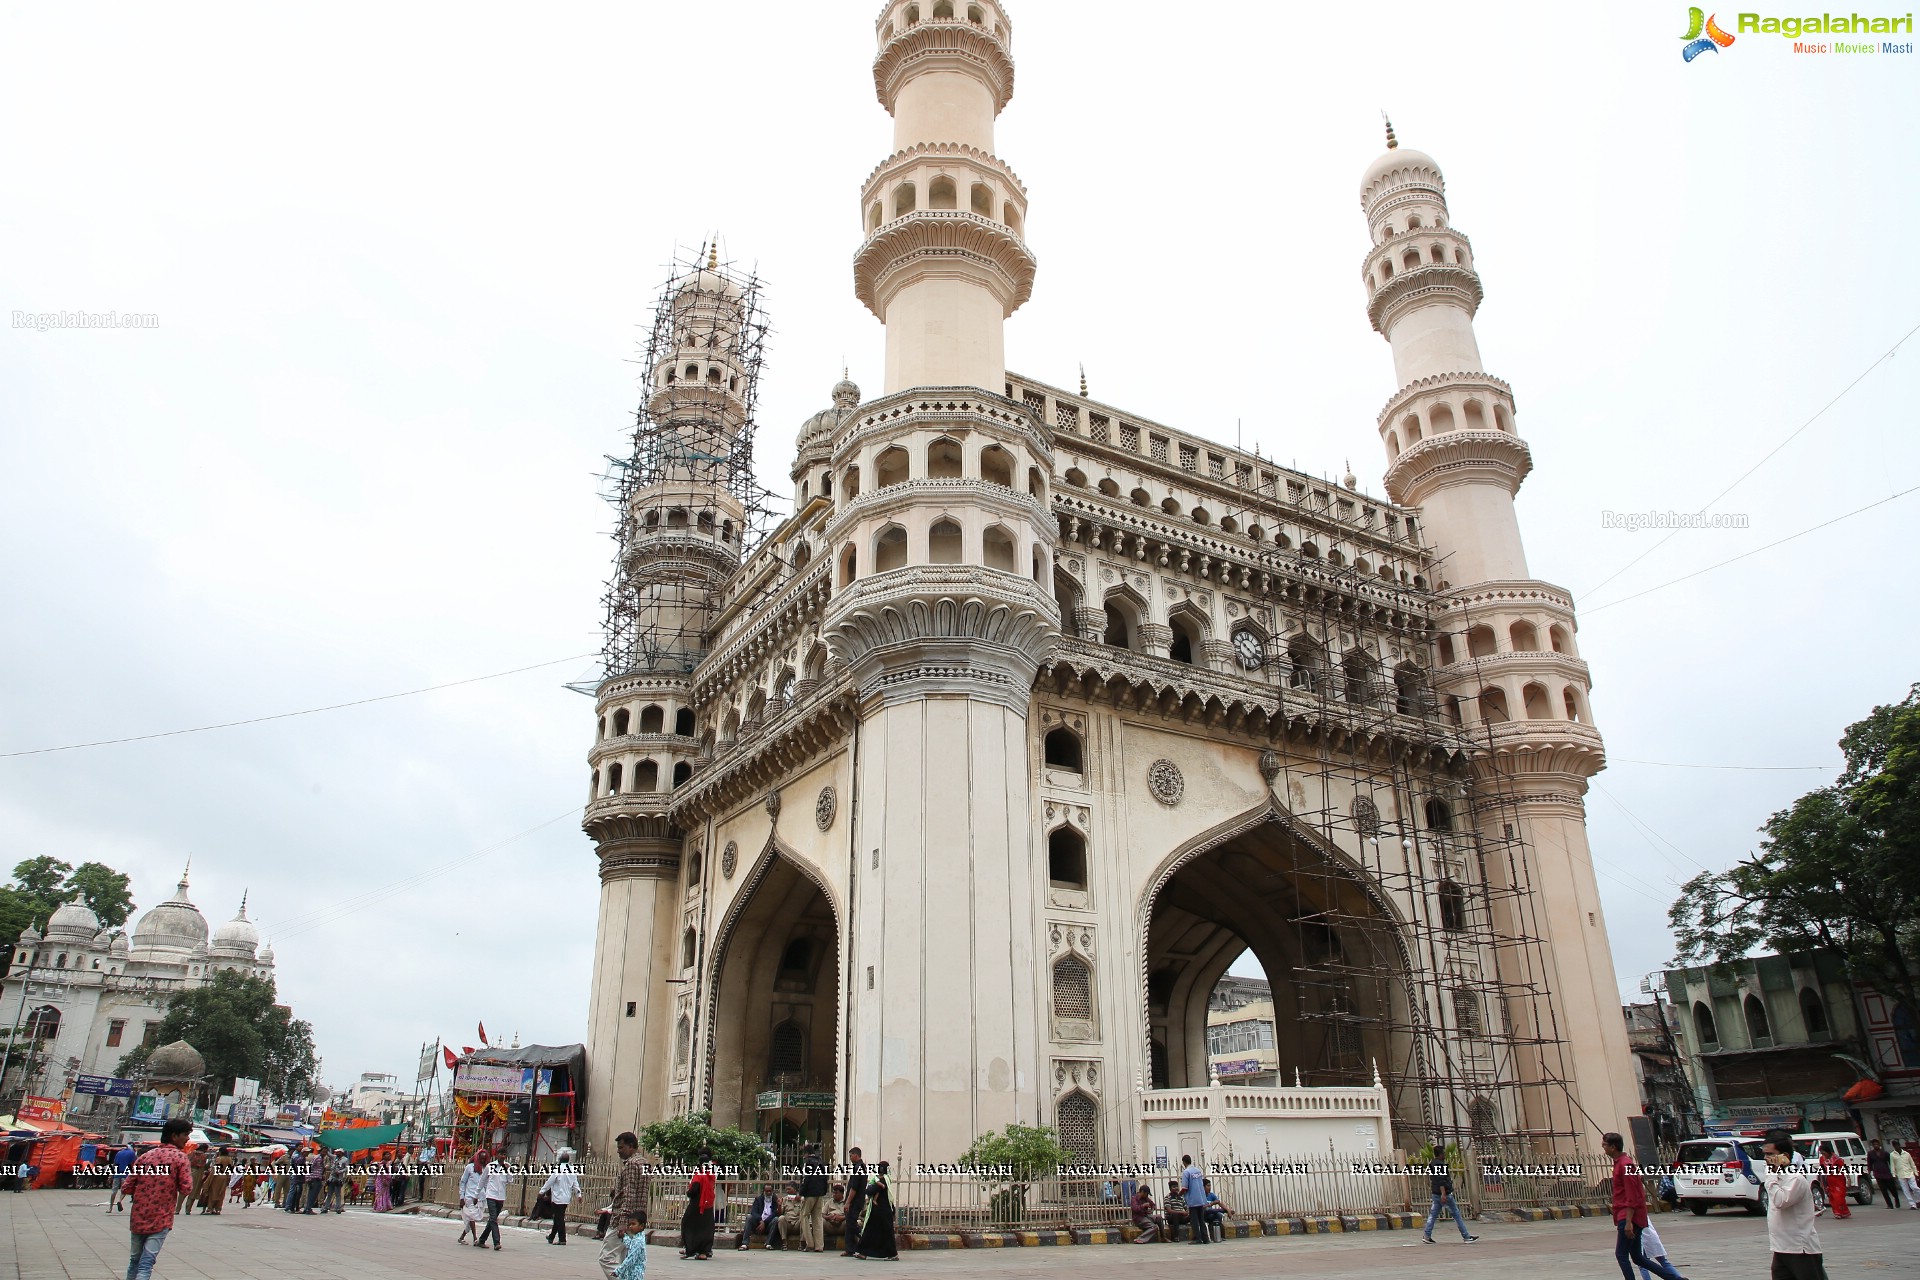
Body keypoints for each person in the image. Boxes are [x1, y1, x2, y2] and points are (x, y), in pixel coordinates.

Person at [1604, 1131, 1688, 1280]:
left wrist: (1629, 1222)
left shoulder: (1626, 1165)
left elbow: (1632, 1195)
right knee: (1637, 1257)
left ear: (1613, 1147)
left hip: (1629, 1215)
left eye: (1605, 1145)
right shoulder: (1620, 1164)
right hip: (1627, 1214)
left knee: (1621, 1255)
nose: (1603, 1148)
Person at [126, 1117, 195, 1280]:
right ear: (174, 1136)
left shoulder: (145, 1157)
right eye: (185, 1134)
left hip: (138, 1217)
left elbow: (127, 1186)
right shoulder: (180, 1158)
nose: (188, 1139)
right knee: (146, 1263)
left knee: (134, 1261)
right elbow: (187, 1188)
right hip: (161, 1219)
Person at [1761, 1128, 1827, 1280]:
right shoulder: (1777, 1178)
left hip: (1800, 1249)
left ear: (1784, 1156)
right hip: (1780, 1248)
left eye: (1770, 1154)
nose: (1766, 1158)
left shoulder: (1795, 1179)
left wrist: (1770, 1176)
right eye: (1764, 1154)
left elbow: (1780, 1201)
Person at [601, 1132, 649, 1280]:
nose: (618, 1151)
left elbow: (630, 1195)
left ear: (630, 1146)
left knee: (605, 1258)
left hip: (624, 1220)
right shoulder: (644, 1163)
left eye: (621, 1147)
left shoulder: (631, 1165)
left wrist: (622, 1222)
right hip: (637, 1220)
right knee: (626, 1258)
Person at [1422, 1159, 1478, 1243]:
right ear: (1440, 1154)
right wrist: (1443, 1193)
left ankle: (1427, 1235)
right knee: (1456, 1214)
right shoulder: (1440, 1164)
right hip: (1444, 1194)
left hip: (1435, 1193)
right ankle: (1466, 1236)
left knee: (1433, 1215)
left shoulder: (1432, 1163)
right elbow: (1441, 1180)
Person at [680, 1150, 717, 1260]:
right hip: (708, 1205)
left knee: (688, 1224)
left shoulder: (699, 1174)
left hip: (697, 1204)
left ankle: (690, 1249)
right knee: (706, 1228)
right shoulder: (711, 1174)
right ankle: (703, 1252)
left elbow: (693, 1190)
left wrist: (688, 1192)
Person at [543, 1148, 580, 1245]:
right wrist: (578, 1194)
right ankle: (551, 1237)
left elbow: (549, 1182)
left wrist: (542, 1191)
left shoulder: (557, 1169)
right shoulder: (572, 1170)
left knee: (559, 1218)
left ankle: (562, 1239)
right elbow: (575, 1184)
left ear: (559, 1160)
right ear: (568, 1160)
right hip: (566, 1198)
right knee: (558, 1217)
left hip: (557, 1198)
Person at [854, 1178, 898, 1260]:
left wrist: (870, 1188)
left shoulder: (883, 1180)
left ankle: (892, 1254)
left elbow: (870, 1191)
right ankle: (863, 1253)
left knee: (878, 1232)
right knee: (873, 1232)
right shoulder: (885, 1180)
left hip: (881, 1211)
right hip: (879, 1211)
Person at [798, 1142, 830, 1252]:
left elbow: (805, 1179)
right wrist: (823, 1191)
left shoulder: (808, 1162)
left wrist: (801, 1192)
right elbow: (826, 1178)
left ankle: (809, 1243)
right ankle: (819, 1245)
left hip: (810, 1193)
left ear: (806, 1154)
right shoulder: (822, 1162)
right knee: (818, 1218)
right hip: (820, 1193)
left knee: (804, 1216)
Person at [477, 1151, 510, 1251]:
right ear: (497, 1155)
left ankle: (482, 1240)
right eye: (501, 1154)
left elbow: (510, 1180)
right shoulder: (490, 1166)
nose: (503, 1156)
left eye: (504, 1154)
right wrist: (476, 1195)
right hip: (491, 1195)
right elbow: (482, 1181)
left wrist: (508, 1170)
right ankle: (497, 1242)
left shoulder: (507, 1166)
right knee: (493, 1219)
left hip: (501, 1197)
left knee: (492, 1219)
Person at [739, 1182, 785, 1250]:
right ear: (764, 1191)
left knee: (776, 1219)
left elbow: (775, 1213)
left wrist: (779, 1205)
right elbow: (753, 1212)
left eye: (770, 1191)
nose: (769, 1193)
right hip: (758, 1225)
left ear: (772, 1191)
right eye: (767, 1191)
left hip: (768, 1225)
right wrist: (761, 1221)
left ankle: (768, 1243)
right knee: (749, 1217)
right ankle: (745, 1244)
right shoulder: (758, 1199)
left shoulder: (775, 1200)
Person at [840, 1147, 869, 1256]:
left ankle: (865, 1239)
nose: (850, 1158)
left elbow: (854, 1188)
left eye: (851, 1156)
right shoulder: (861, 1167)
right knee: (849, 1224)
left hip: (855, 1201)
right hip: (858, 1200)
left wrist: (848, 1202)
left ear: (856, 1155)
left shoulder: (858, 1167)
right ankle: (850, 1248)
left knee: (852, 1223)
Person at [458, 1149, 488, 1246]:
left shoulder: (486, 1169)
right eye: (481, 1159)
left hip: (481, 1198)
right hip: (470, 1197)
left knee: (472, 1218)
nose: (482, 1161)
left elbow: (486, 1184)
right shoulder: (470, 1168)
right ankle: (475, 1239)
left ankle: (462, 1237)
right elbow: (463, 1182)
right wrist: (461, 1197)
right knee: (471, 1217)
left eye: (484, 1159)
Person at [1178, 1154, 1209, 1245]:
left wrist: (1179, 1195)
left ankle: (1198, 1238)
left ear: (1184, 1162)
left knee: (1194, 1221)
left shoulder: (1186, 1172)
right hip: (1200, 1198)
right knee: (1201, 1220)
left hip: (1192, 1200)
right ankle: (1205, 1238)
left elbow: (1184, 1188)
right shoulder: (1198, 1171)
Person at [615, 1209, 649, 1280]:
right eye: (629, 1224)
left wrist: (618, 1271)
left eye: (633, 1224)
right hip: (629, 1274)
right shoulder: (636, 1238)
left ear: (641, 1226)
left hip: (635, 1275)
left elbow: (630, 1259)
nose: (630, 1226)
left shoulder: (639, 1241)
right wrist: (624, 1237)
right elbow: (630, 1245)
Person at [1817, 1147, 1851, 1220]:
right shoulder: (1822, 1159)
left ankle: (1839, 1212)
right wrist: (1821, 1181)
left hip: (1839, 1180)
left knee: (1839, 1196)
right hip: (1829, 1181)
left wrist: (1848, 1179)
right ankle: (1840, 1212)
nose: (1823, 1155)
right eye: (1821, 1153)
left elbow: (1844, 1169)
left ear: (1828, 1152)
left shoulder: (1837, 1159)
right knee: (1832, 1197)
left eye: (1824, 1153)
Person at [1868, 1139, 1897, 1208]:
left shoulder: (1885, 1153)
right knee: (1884, 1190)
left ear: (1879, 1145)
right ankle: (1889, 1204)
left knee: (1892, 1188)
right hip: (1878, 1174)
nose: (1876, 1146)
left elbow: (1891, 1162)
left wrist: (1894, 1172)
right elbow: (1869, 1163)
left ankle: (1896, 1198)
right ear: (1872, 1146)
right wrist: (1870, 1171)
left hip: (1887, 1173)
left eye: (1877, 1144)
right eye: (1874, 1145)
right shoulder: (1870, 1153)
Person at [1889, 1141, 1918, 1209]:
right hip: (1900, 1174)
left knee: (1915, 1188)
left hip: (1910, 1173)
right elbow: (1892, 1165)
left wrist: (1916, 1172)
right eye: (1895, 1146)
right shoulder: (1892, 1155)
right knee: (1906, 1190)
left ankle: (1918, 1200)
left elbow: (1912, 1164)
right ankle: (1912, 1204)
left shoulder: (1907, 1154)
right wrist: (1894, 1175)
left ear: (1899, 1145)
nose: (1896, 1147)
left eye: (1897, 1145)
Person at [109, 1142, 136, 1212]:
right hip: (126, 1174)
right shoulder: (132, 1153)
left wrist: (111, 1174)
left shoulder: (119, 1153)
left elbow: (114, 1164)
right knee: (124, 1189)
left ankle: (110, 1208)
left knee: (113, 1191)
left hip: (117, 1173)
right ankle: (119, 1201)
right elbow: (133, 1164)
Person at [324, 1148, 347, 1213]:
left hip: (338, 1178)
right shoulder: (335, 1157)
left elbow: (346, 1168)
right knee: (329, 1193)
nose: (336, 1153)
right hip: (332, 1177)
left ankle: (337, 1208)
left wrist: (340, 1171)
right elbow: (329, 1154)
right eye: (336, 1152)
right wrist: (325, 1147)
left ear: (341, 1153)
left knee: (338, 1194)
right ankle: (326, 1207)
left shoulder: (345, 1159)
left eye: (338, 1152)